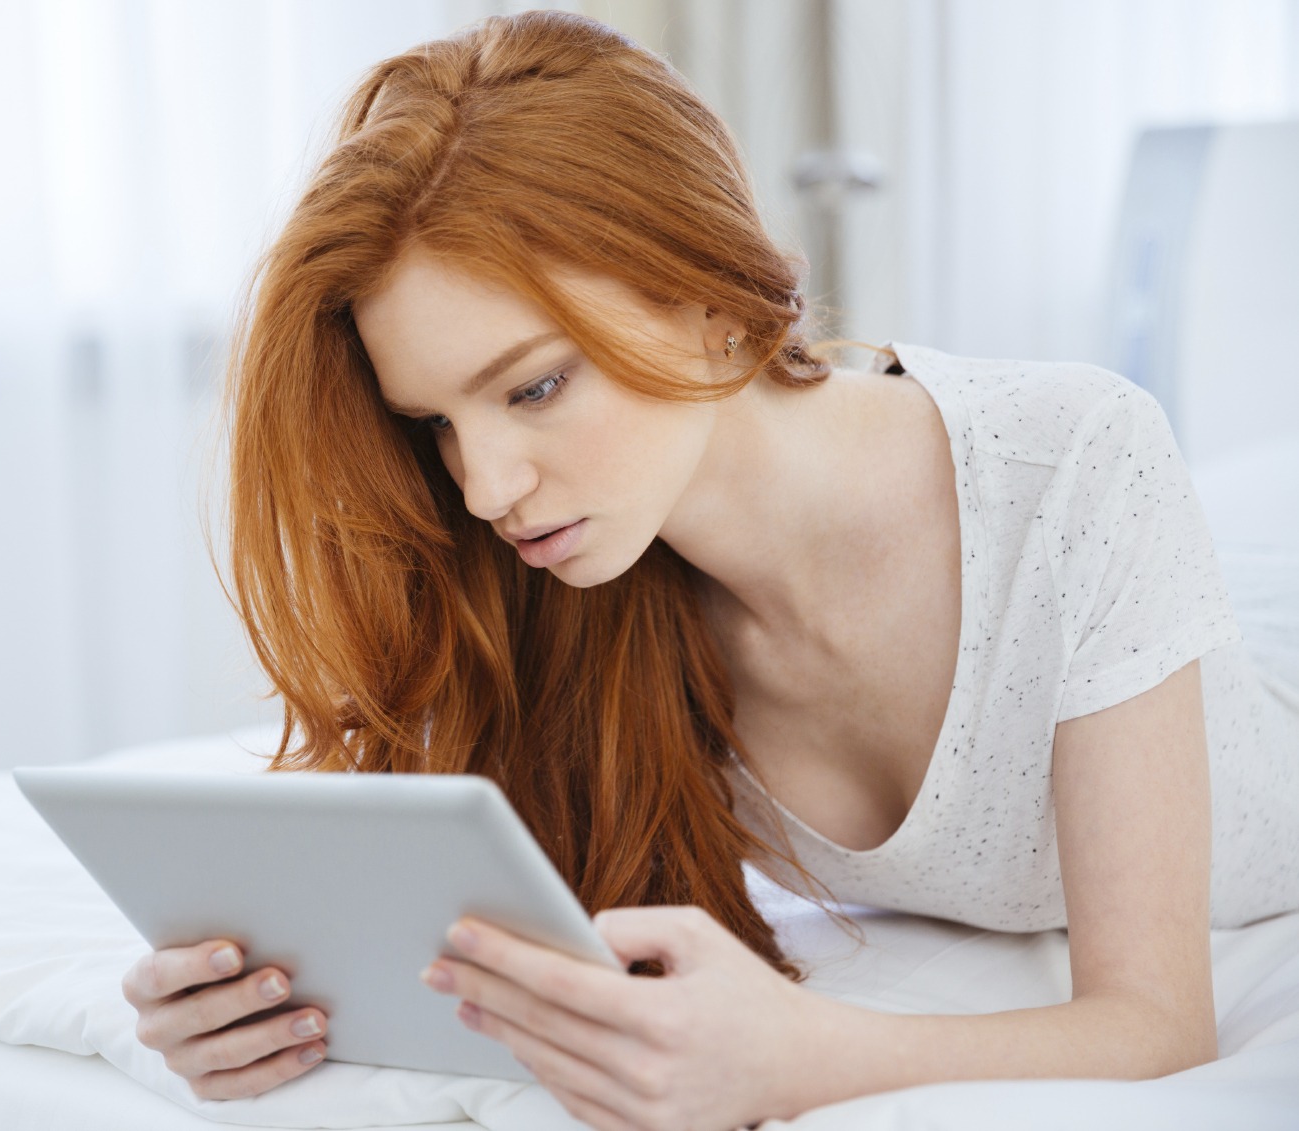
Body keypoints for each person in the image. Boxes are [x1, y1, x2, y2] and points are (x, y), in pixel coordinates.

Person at [118, 10, 1299, 1129]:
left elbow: (1156, 1030)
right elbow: (464, 924)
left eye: (534, 387)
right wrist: (264, 997)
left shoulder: (1077, 464)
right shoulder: (576, 591)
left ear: (713, 305)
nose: (484, 490)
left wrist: (800, 1050)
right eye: (435, 424)